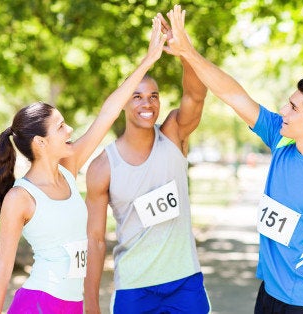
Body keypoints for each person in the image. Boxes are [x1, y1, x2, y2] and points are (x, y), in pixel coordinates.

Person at [163, 5, 303, 313]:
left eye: (293, 108)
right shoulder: (282, 137)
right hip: (269, 293)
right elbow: (233, 95)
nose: (283, 111)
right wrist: (187, 53)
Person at [0, 18, 166, 314]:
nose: (69, 131)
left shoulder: (69, 168)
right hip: (39, 303)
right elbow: (3, 266)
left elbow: (109, 111)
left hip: (72, 304)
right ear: (40, 142)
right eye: (60, 127)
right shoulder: (21, 197)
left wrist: (147, 61)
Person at [83, 11, 209, 314]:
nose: (147, 103)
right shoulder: (103, 167)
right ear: (124, 101)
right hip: (134, 287)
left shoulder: (173, 135)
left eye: (153, 95)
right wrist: (91, 303)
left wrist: (184, 50)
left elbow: (196, 94)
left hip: (184, 281)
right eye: (137, 96)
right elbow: (96, 241)